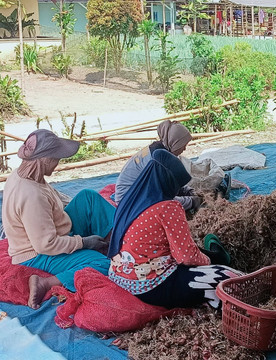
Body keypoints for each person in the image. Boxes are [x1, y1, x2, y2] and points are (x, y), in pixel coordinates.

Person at [107, 149, 240, 309]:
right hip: (151, 286)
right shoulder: (169, 207)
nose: (177, 191)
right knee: (228, 276)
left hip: (120, 275)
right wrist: (210, 261)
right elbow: (187, 257)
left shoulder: (131, 197)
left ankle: (216, 257)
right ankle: (219, 260)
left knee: (198, 253)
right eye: (177, 186)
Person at [2, 130, 115, 309]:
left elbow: (53, 197)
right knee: (104, 264)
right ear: (45, 159)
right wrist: (84, 243)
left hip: (53, 231)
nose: (58, 163)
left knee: (88, 197)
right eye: (56, 158)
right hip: (36, 253)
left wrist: (79, 209)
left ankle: (117, 242)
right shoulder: (31, 196)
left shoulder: (26, 174)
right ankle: (45, 283)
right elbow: (45, 245)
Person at [115, 120, 204, 211]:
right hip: (128, 202)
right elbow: (162, 198)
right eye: (183, 145)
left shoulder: (159, 151)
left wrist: (187, 191)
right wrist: (193, 202)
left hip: (134, 193)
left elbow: (170, 183)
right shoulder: (156, 162)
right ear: (174, 143)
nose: (184, 149)